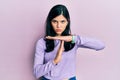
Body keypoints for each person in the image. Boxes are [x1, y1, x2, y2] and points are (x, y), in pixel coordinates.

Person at [33, 4, 105, 80]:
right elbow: (37, 73)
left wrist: (73, 38)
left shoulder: (73, 40)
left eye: (62, 21)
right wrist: (55, 61)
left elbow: (100, 45)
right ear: (50, 22)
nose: (58, 26)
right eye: (55, 21)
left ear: (68, 22)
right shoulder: (42, 42)